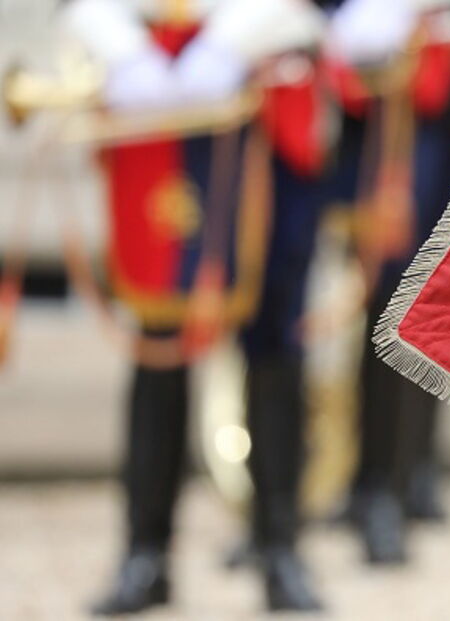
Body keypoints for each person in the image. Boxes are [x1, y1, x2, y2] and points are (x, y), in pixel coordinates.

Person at [60, 0, 334, 614]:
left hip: (262, 84)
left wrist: (236, 36)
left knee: (274, 336)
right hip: (154, 88)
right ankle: (144, 553)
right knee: (158, 338)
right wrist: (120, 46)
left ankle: (280, 547)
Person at [328, 0, 450, 564]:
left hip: (426, 116)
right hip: (357, 104)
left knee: (409, 302)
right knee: (375, 306)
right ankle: (370, 476)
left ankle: (393, 483)